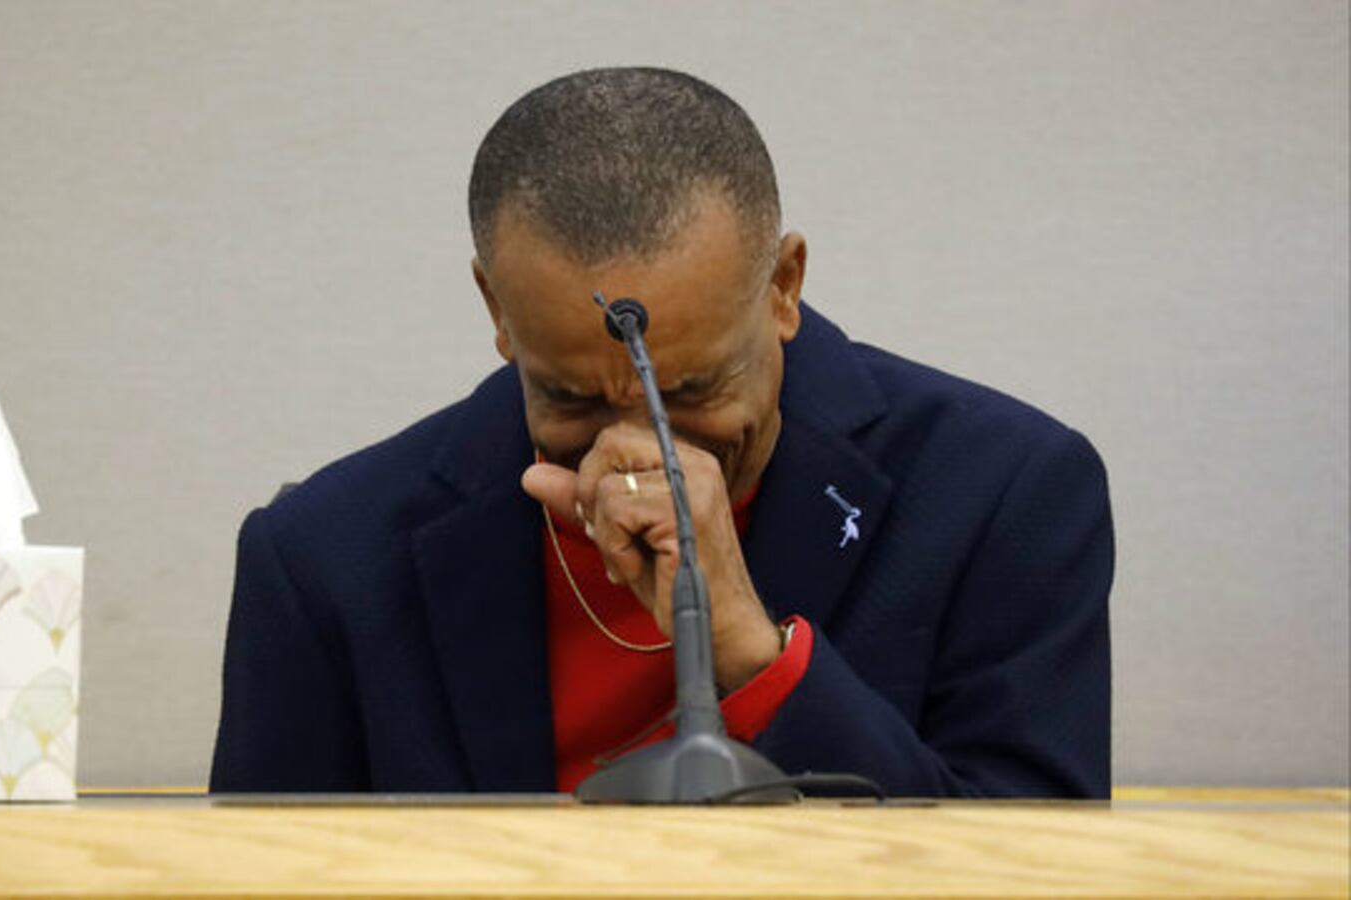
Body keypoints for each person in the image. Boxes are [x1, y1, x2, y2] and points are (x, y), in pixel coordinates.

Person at [210, 67, 1113, 798]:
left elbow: (1034, 868)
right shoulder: (326, 557)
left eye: (691, 389)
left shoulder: (1005, 493)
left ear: (784, 286)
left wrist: (752, 652)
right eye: (571, 397)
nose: (634, 444)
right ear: (496, 309)